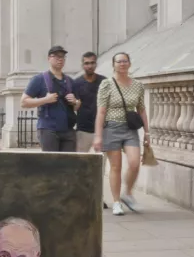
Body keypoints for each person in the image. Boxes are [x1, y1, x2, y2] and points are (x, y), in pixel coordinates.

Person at [93, 52, 149, 216]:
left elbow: (142, 109)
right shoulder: (107, 85)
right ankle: (117, 202)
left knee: (134, 163)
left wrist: (147, 132)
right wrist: (98, 135)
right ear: (114, 65)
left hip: (130, 128)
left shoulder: (138, 85)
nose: (122, 64)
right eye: (119, 61)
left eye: (125, 61)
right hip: (111, 127)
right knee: (116, 167)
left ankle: (128, 193)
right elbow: (101, 112)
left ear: (129, 64)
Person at [20, 45, 81, 152]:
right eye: (56, 56)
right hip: (48, 130)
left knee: (68, 165)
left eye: (62, 56)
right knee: (51, 164)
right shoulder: (39, 79)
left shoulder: (70, 81)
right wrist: (45, 100)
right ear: (49, 58)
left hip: (68, 130)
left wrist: (75, 102)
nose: (60, 59)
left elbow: (77, 107)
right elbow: (24, 102)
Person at [74, 51, 108, 209]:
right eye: (86, 63)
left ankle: (98, 198)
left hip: (101, 131)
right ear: (82, 65)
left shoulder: (104, 82)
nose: (89, 65)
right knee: (80, 166)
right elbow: (72, 105)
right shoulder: (76, 83)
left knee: (100, 167)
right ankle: (81, 198)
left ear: (96, 64)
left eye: (92, 63)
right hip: (82, 130)